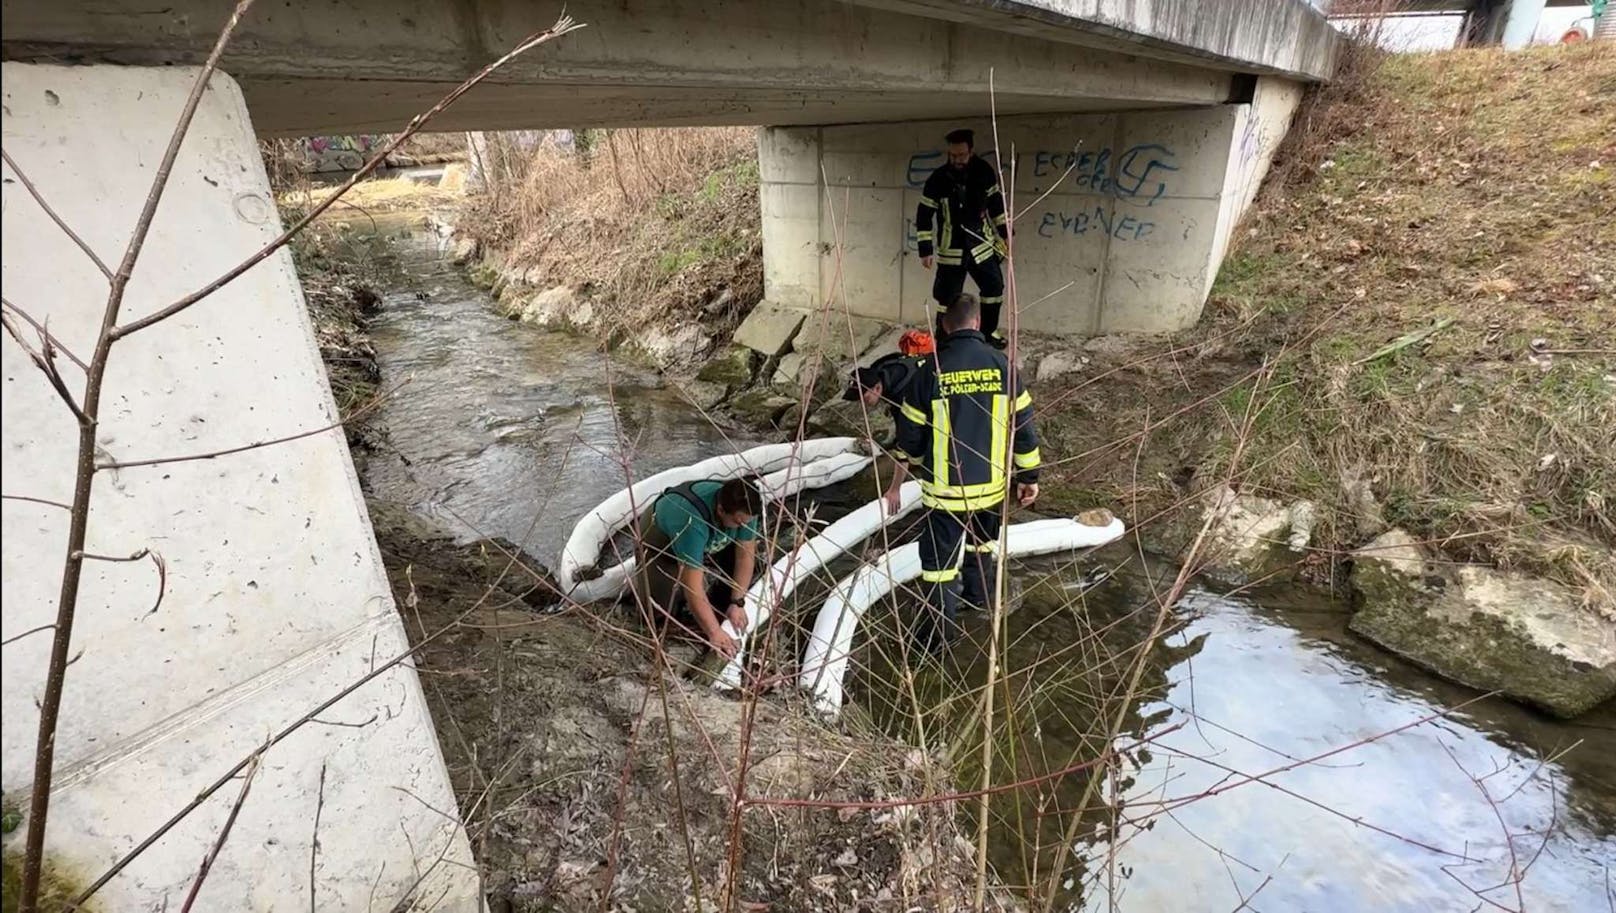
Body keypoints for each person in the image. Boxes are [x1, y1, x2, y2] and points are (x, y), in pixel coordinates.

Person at [894, 292, 1041, 654]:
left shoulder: (931, 371)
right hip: (990, 491)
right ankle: (979, 607)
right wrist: (1029, 477)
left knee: (939, 568)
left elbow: (910, 435)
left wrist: (912, 461)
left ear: (945, 326)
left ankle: (938, 641)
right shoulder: (1003, 367)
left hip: (944, 494)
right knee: (982, 548)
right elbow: (1024, 428)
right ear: (978, 323)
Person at [630, 478, 762, 659]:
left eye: (747, 522)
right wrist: (714, 632)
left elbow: (745, 556)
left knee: (751, 566)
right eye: (739, 523)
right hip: (660, 545)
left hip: (711, 537)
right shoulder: (690, 522)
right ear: (721, 510)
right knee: (656, 612)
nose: (745, 527)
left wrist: (737, 602)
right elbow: (692, 588)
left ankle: (718, 607)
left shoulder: (745, 511)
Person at [915, 128, 1011, 348]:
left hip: (982, 245)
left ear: (971, 151)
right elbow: (924, 213)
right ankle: (944, 338)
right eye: (953, 156)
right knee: (946, 296)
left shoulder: (984, 172)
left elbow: (997, 205)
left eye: (961, 155)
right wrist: (925, 249)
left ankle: (988, 332)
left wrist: (1007, 235)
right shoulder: (938, 179)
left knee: (994, 288)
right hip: (952, 248)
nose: (957, 160)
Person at [843, 347, 928, 514]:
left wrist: (895, 489)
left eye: (865, 397)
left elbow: (904, 445)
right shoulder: (881, 369)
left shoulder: (903, 395)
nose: (863, 403)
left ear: (876, 388)